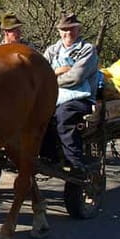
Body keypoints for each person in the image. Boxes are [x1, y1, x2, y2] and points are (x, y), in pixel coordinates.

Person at [42, 12, 99, 176]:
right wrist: (59, 70)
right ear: (59, 32)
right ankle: (48, 156)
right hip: (55, 96)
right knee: (40, 114)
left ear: (78, 30)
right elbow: (41, 73)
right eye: (64, 30)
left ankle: (74, 161)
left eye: (72, 29)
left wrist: (51, 77)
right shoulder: (52, 50)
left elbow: (76, 77)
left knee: (64, 114)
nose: (68, 33)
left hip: (81, 97)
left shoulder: (87, 50)